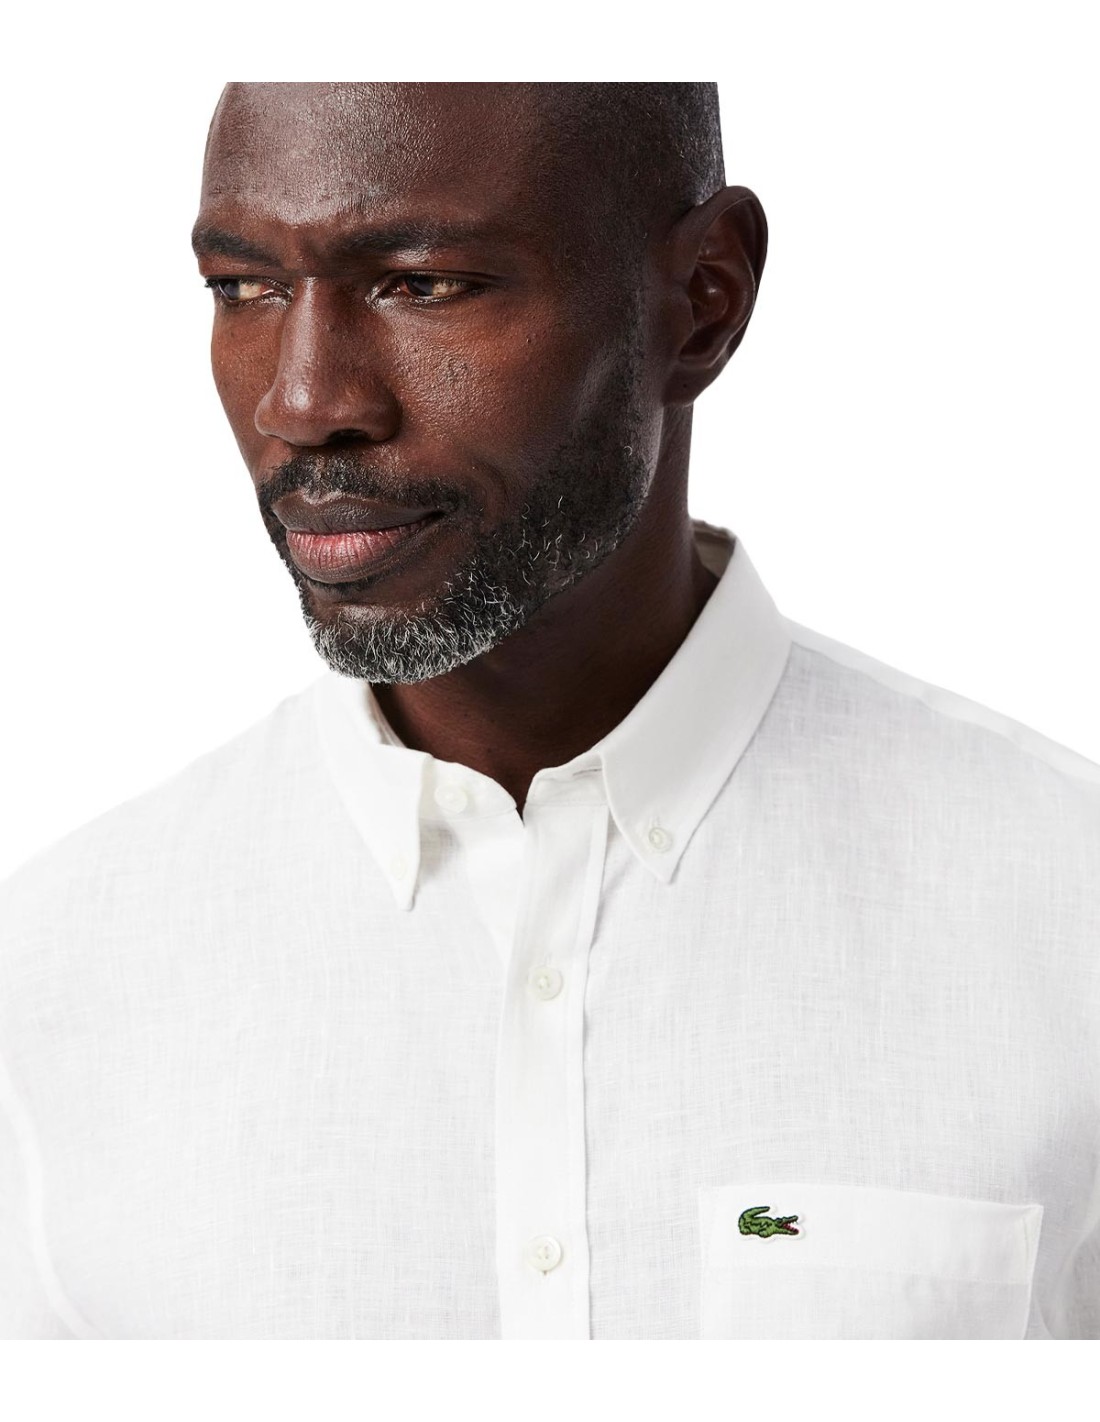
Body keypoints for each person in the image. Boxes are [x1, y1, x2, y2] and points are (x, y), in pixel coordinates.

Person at [0, 81, 1096, 1341]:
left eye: (420, 282)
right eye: (243, 287)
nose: (301, 403)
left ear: (704, 299)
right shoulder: (52, 977)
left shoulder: (1066, 910)